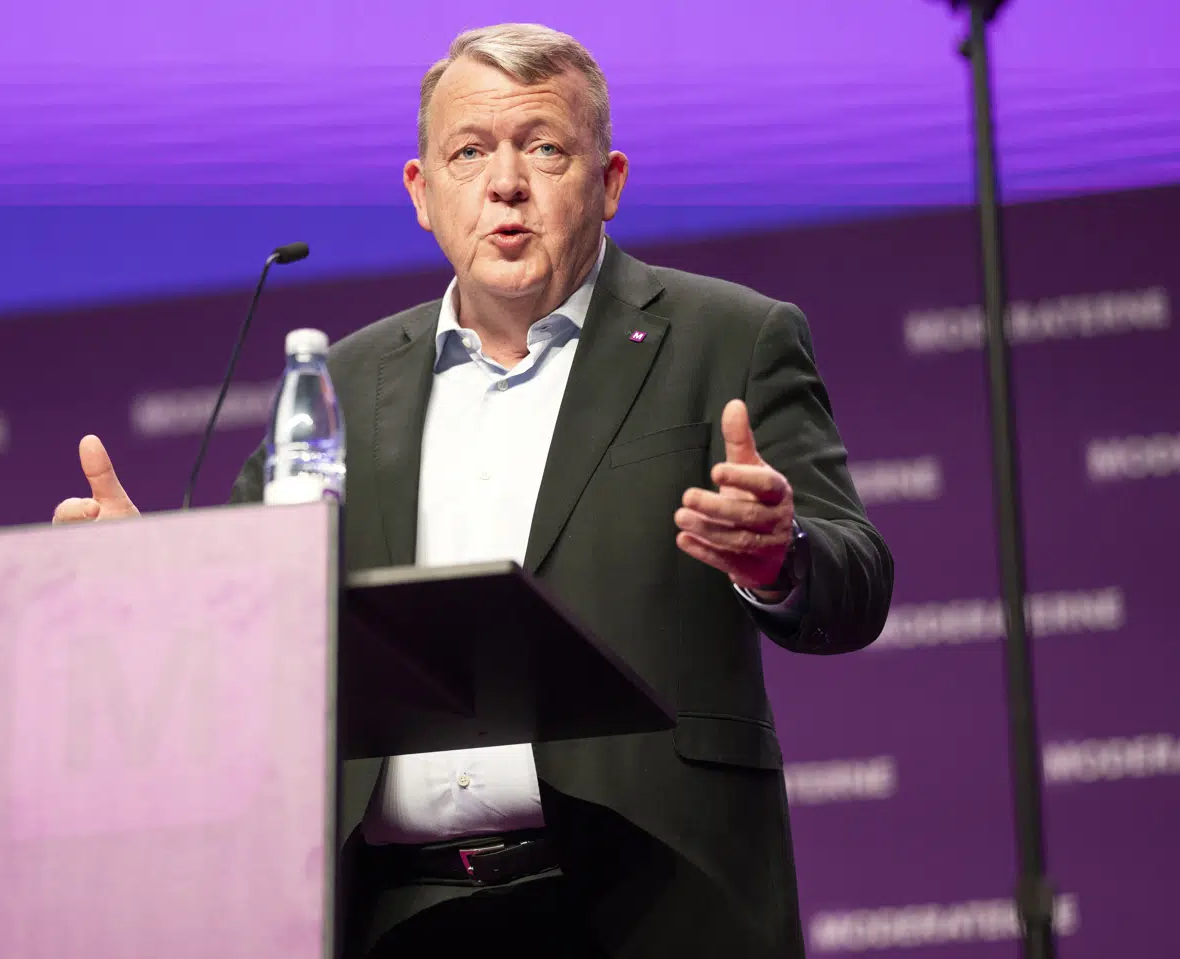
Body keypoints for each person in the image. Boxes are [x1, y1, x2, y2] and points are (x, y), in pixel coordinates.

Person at [54, 23, 892, 959]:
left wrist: (781, 560)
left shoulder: (728, 338)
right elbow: (244, 615)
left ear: (608, 181)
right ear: (422, 191)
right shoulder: (344, 379)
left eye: (544, 147)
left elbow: (855, 581)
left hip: (650, 907)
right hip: (396, 918)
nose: (506, 183)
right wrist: (148, 583)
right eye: (469, 152)